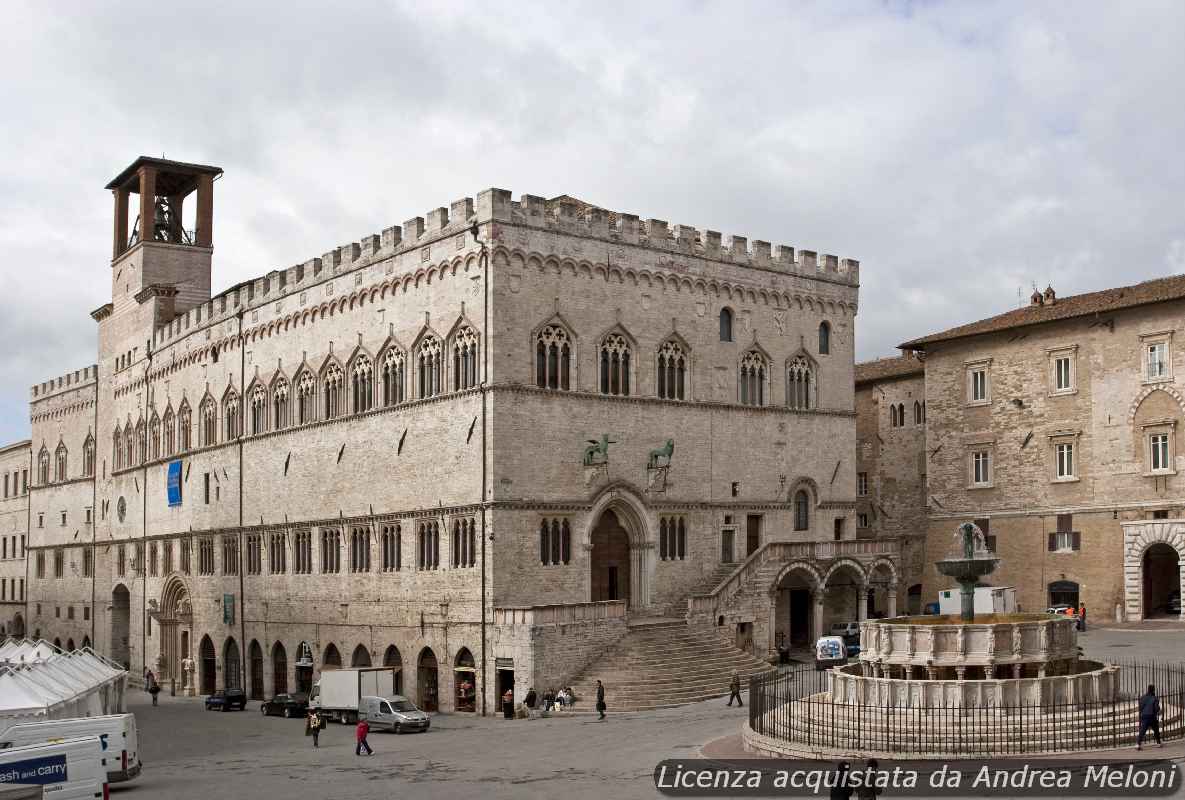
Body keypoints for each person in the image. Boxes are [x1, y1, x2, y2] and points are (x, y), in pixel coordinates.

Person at [1137, 684, 1162, 750]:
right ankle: (1158, 743)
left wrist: (1143, 712)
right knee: (1156, 730)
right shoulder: (1155, 698)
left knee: (1142, 730)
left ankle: (1138, 744)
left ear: (1148, 689)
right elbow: (1156, 708)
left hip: (1144, 715)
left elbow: (1140, 707)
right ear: (1153, 690)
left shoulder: (1143, 697)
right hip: (1152, 716)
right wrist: (1158, 710)